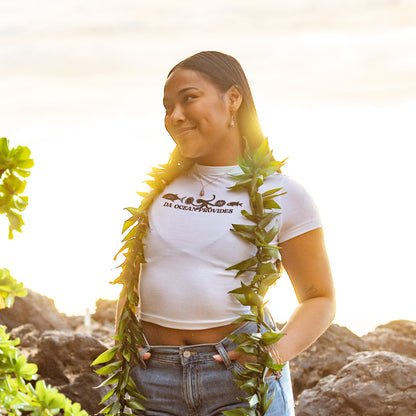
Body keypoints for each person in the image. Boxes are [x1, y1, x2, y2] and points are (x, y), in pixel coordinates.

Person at [117, 51, 335, 416]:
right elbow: (136, 278)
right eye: (168, 106)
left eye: (188, 98)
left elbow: (320, 297)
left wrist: (271, 355)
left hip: (239, 381)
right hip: (152, 381)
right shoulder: (158, 193)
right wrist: (125, 342)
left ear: (233, 99)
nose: (175, 116)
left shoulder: (282, 194)